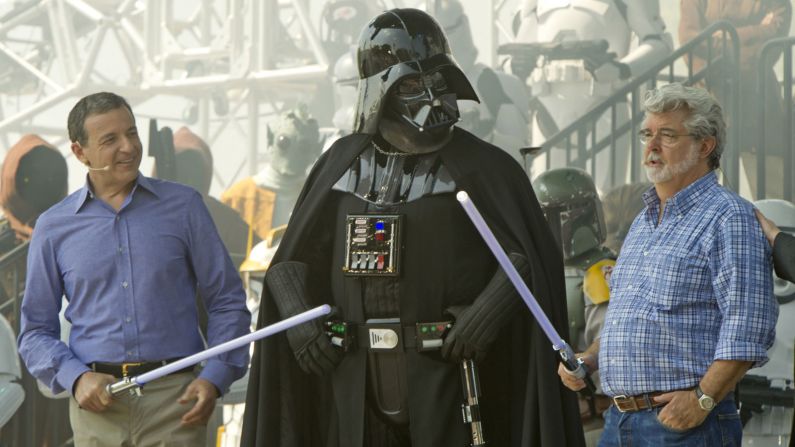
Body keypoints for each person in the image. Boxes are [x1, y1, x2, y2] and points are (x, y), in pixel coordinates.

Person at [241, 8, 583, 447]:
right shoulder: (340, 164)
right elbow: (294, 258)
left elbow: (526, 257)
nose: (431, 97)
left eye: (438, 81)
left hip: (448, 377)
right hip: (353, 381)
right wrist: (299, 320)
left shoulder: (487, 169)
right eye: (411, 84)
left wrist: (484, 316)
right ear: (379, 91)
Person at [16, 92, 251, 446]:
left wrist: (215, 376)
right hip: (97, 410)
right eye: (110, 140)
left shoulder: (184, 207)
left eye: (132, 133)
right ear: (80, 153)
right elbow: (34, 332)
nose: (128, 147)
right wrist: (77, 378)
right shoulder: (53, 227)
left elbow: (227, 302)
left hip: (179, 403)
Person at [558, 83, 777, 445]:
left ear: (704, 146)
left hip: (685, 426)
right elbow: (628, 316)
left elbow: (748, 325)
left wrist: (702, 400)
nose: (651, 147)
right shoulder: (644, 220)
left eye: (668, 135)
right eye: (647, 134)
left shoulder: (729, 217)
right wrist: (590, 359)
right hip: (620, 421)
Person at [512, 0, 672, 190]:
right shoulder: (534, 4)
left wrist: (622, 69)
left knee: (604, 198)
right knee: (545, 194)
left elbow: (659, 43)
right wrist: (517, 66)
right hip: (548, 109)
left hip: (602, 105)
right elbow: (517, 52)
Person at [533, 168, 615, 442]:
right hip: (553, 413)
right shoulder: (538, 270)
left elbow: (610, 348)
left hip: (590, 417)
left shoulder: (599, 273)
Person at [679, 0, 792, 199]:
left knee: (772, 202)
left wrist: (718, 39)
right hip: (707, 102)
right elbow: (689, 40)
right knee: (697, 199)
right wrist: (755, 32)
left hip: (759, 107)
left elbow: (770, 43)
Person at [221, 106, 322, 240]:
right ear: (270, 142)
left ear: (315, 151)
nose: (293, 152)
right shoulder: (237, 197)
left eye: (304, 146)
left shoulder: (318, 199)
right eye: (284, 142)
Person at [171, 126, 253, 268]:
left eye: (194, 167)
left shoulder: (226, 221)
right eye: (182, 167)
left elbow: (260, 259)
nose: (188, 177)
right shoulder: (140, 215)